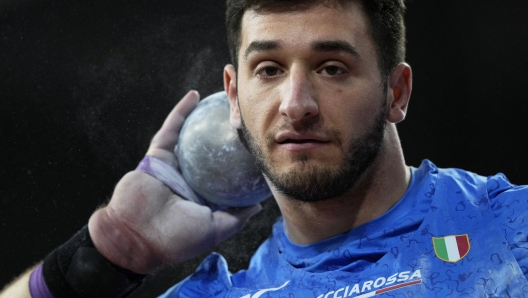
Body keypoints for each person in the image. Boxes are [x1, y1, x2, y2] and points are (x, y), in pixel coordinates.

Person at [2, 0, 528, 297]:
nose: (295, 103)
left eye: (331, 68)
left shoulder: (511, 228)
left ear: (396, 92)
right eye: (269, 69)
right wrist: (110, 252)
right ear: (232, 96)